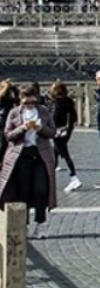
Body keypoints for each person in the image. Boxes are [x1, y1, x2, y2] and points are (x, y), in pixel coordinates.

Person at [1, 86, 57, 239]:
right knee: (23, 191)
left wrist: (41, 129)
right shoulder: (14, 113)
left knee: (41, 189)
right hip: (22, 155)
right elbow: (8, 135)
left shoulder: (44, 111)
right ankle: (23, 225)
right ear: (21, 101)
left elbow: (53, 132)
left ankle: (41, 223)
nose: (30, 105)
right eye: (26, 103)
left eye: (32, 102)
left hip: (40, 155)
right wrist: (23, 128)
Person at [48, 81, 81, 193]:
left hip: (58, 131)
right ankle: (50, 173)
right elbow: (74, 116)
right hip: (67, 131)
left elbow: (54, 118)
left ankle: (74, 177)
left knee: (64, 154)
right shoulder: (69, 101)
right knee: (56, 151)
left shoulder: (56, 103)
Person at [0, 78, 18, 158]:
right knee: (4, 141)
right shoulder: (6, 97)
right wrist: (13, 88)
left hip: (3, 118)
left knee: (3, 141)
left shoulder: (4, 96)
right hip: (5, 119)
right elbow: (18, 99)